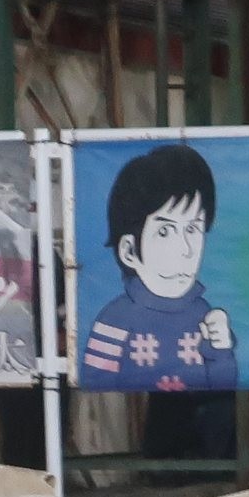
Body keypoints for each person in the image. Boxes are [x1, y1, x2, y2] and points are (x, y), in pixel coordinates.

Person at [80, 144, 236, 392]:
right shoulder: (115, 320)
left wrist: (221, 350)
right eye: (165, 231)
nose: (186, 249)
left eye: (193, 229)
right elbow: (96, 386)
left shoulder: (204, 315)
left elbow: (224, 387)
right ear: (129, 251)